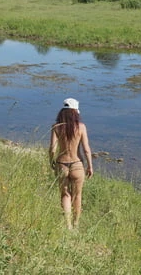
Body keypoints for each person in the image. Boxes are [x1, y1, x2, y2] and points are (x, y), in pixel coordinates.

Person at [49, 98, 93, 230]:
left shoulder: (56, 127)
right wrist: (90, 166)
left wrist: (52, 161)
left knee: (65, 194)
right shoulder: (81, 127)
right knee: (77, 195)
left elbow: (52, 148)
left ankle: (68, 226)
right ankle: (76, 224)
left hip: (62, 164)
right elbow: (86, 149)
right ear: (76, 112)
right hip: (77, 164)